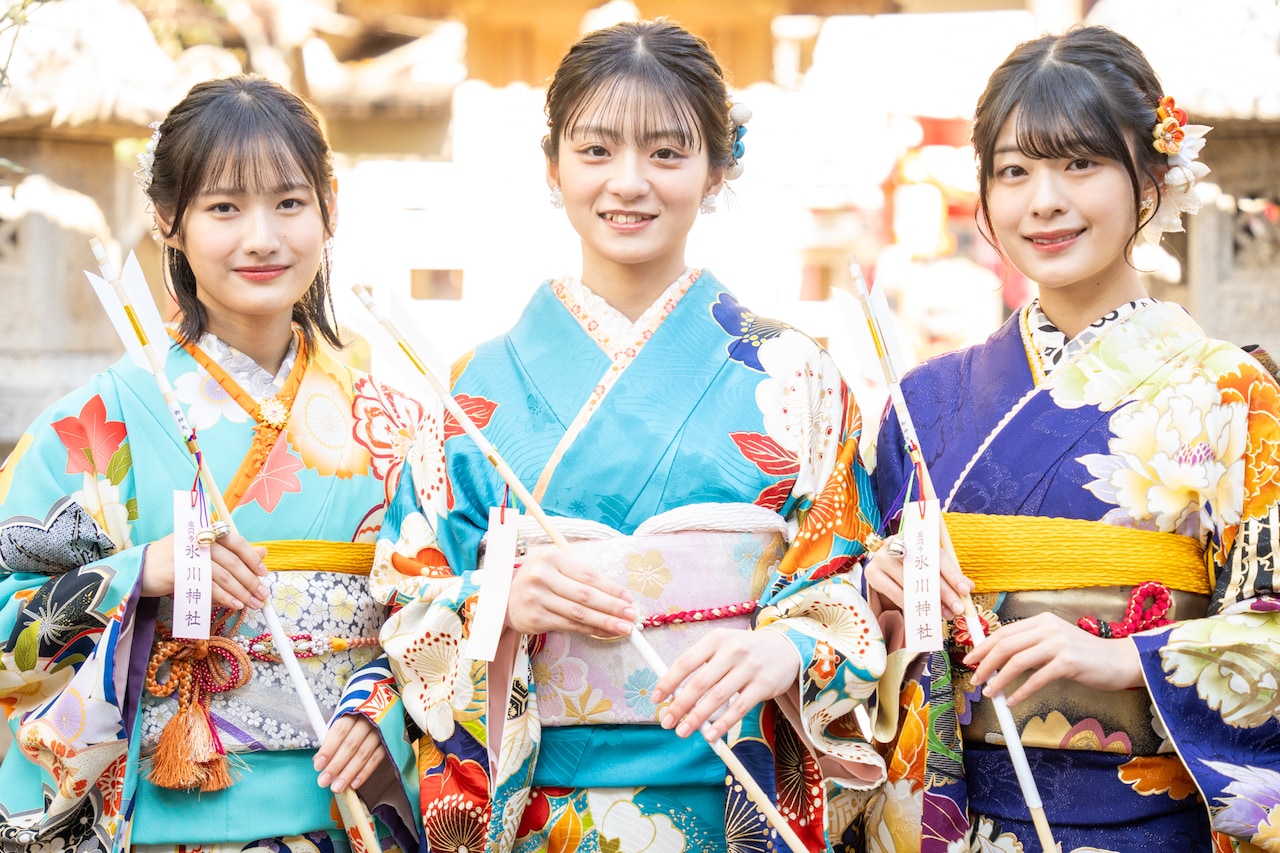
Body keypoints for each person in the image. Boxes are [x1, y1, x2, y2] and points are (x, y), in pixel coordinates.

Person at [370, 19, 888, 853]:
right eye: (597, 150)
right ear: (554, 166)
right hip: (544, 810)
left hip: (734, 796)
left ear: (718, 170)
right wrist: (498, 605)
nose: (630, 183)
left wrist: (789, 649)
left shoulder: (797, 374)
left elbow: (852, 573)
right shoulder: (475, 387)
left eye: (668, 154)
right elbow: (406, 594)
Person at [864, 25, 1280, 853]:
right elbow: (849, 638)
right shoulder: (925, 402)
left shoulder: (1232, 394)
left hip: (1147, 824)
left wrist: (1131, 661)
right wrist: (878, 587)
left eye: (1079, 164)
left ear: (1151, 179)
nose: (1042, 200)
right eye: (1013, 171)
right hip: (958, 821)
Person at [0, 76, 424, 853]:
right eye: (224, 208)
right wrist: (135, 574)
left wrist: (383, 706)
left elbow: (451, 617)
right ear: (169, 219)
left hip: (342, 808)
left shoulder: (397, 424)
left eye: (290, 204)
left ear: (330, 208)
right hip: (154, 816)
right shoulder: (96, 424)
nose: (261, 237)